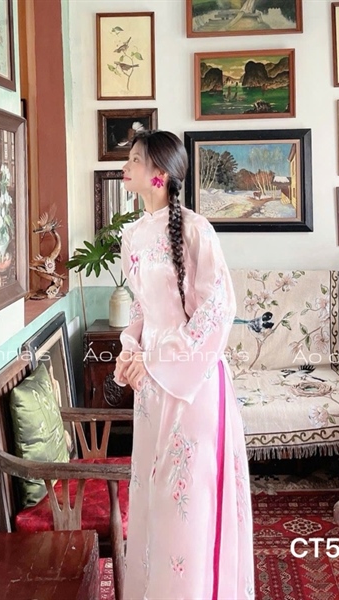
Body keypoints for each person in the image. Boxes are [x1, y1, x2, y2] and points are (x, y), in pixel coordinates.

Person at [114, 130, 255, 599]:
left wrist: (156, 359)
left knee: (189, 501)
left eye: (136, 160)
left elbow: (217, 310)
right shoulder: (132, 235)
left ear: (159, 174)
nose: (126, 166)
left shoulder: (196, 230)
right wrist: (130, 350)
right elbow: (141, 308)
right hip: (151, 388)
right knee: (155, 500)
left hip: (193, 384)